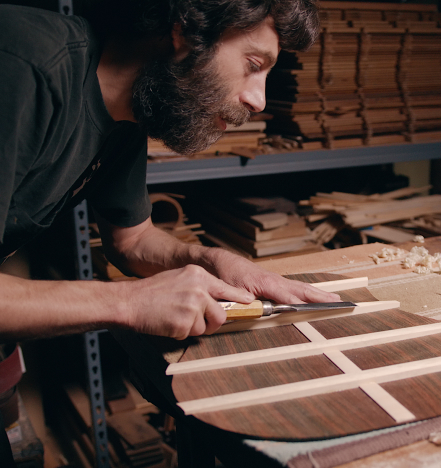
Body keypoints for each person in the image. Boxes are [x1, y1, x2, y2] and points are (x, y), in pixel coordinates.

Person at [0, 0, 340, 342]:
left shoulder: (129, 114)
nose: (259, 100)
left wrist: (214, 262)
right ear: (185, 30)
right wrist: (129, 303)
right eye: (253, 64)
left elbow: (132, 240)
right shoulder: (21, 63)